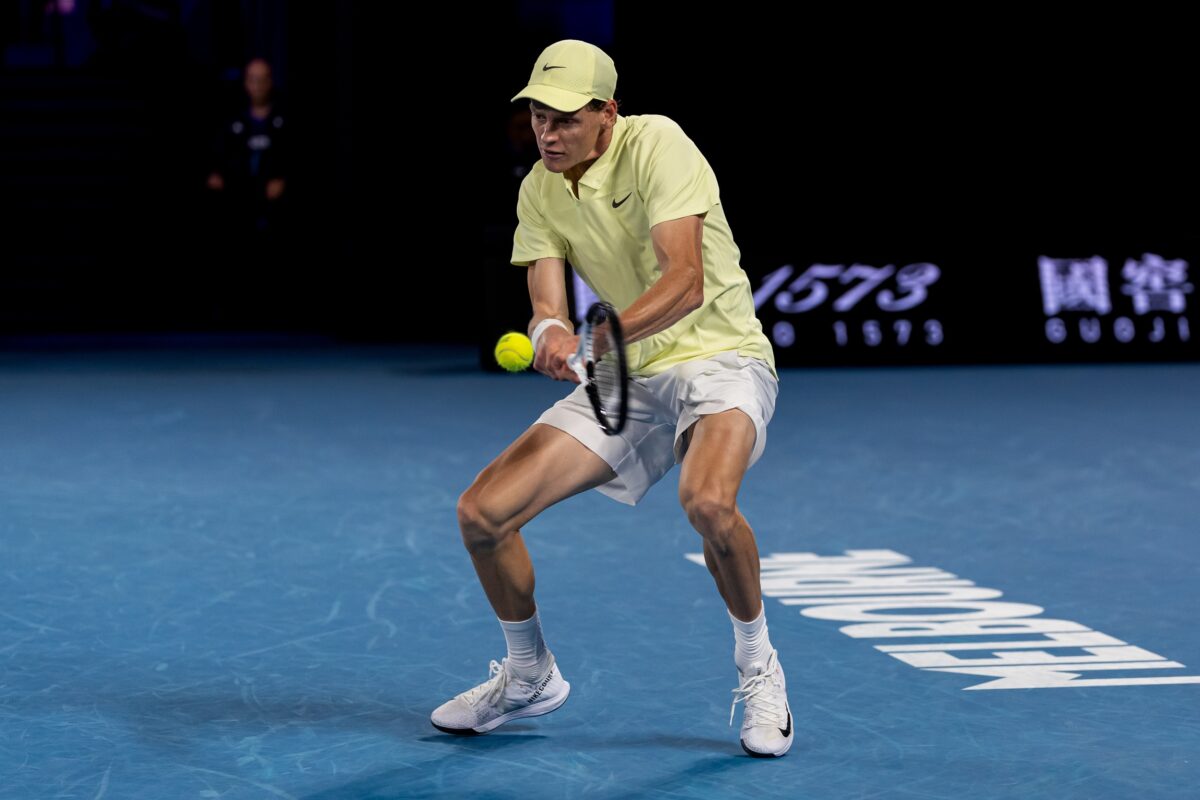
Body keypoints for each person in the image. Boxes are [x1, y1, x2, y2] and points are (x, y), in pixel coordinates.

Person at [432, 40, 791, 758]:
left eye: (566, 118)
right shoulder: (539, 185)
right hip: (629, 376)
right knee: (483, 514)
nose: (549, 132)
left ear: (608, 113)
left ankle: (760, 668)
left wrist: (601, 338)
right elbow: (545, 298)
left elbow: (685, 280)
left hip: (719, 358)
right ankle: (530, 675)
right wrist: (551, 332)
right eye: (538, 116)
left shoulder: (659, 143)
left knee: (709, 503)